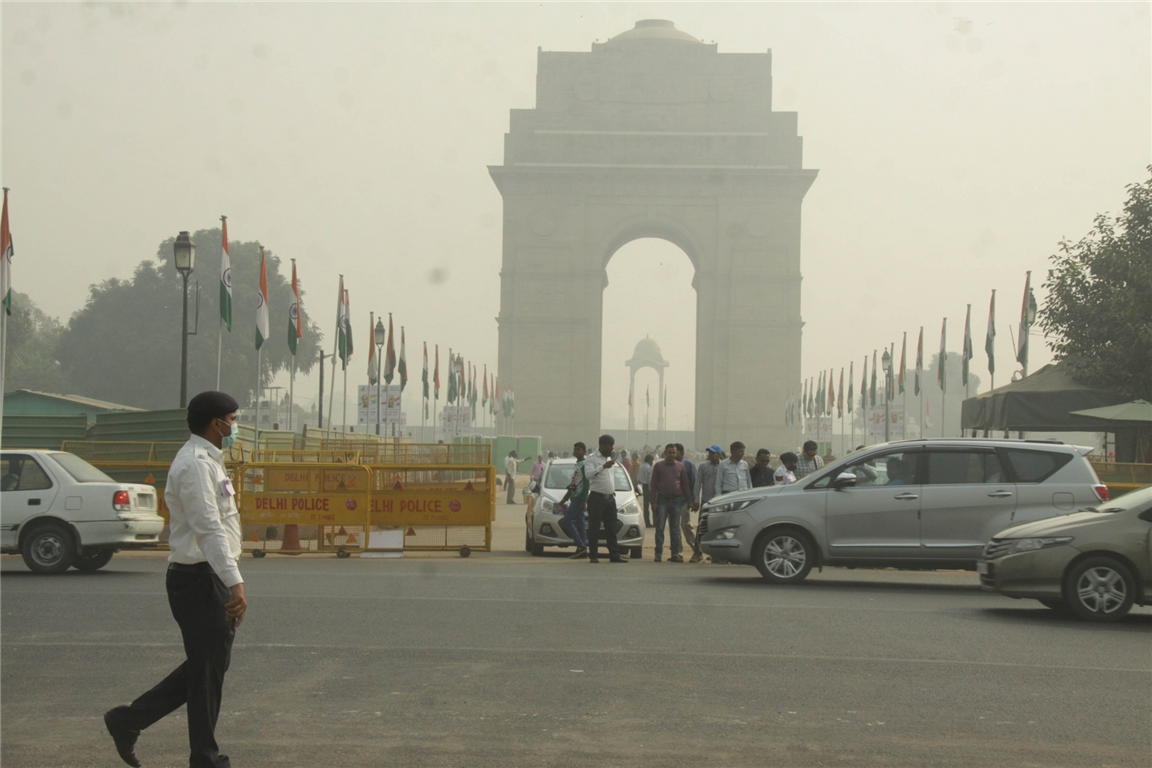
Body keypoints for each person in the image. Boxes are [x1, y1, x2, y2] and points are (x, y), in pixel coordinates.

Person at [104, 391, 247, 768]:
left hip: (205, 577)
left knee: (208, 667)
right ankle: (205, 758)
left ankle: (128, 721)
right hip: (198, 578)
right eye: (232, 420)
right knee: (206, 670)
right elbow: (208, 527)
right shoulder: (197, 465)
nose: (235, 427)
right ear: (216, 424)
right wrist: (235, 582)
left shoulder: (209, 461)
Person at [584, 434, 626, 563]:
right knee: (594, 528)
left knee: (611, 528)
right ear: (601, 445)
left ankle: (614, 554)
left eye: (611, 447)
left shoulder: (610, 457)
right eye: (608, 446)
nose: (610, 449)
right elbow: (588, 475)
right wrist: (603, 466)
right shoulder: (591, 458)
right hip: (596, 498)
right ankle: (594, 555)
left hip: (610, 499)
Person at [649, 443, 693, 562]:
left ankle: (675, 553)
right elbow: (653, 485)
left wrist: (689, 501)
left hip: (676, 501)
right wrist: (653, 501)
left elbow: (685, 485)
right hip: (662, 500)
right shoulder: (658, 466)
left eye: (674, 453)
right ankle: (658, 553)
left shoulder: (680, 466)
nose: (672, 455)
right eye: (670, 452)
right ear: (665, 452)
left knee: (675, 529)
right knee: (660, 528)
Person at [557, 442, 590, 559]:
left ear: (584, 452)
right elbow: (573, 485)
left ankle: (580, 545)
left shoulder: (584, 465)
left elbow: (586, 484)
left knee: (567, 520)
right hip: (574, 496)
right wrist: (564, 499)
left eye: (579, 449)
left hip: (578, 498)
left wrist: (583, 499)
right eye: (575, 449)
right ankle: (582, 549)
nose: (576, 451)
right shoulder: (577, 465)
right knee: (580, 524)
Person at [674, 444, 702, 562]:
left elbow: (695, 484)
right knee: (674, 528)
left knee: (686, 526)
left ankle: (697, 550)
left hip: (685, 500)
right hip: (673, 501)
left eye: (674, 452)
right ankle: (677, 552)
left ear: (680, 452)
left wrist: (694, 500)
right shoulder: (670, 465)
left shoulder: (689, 465)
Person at [636, 453, 655, 527]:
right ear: (650, 460)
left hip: (644, 486)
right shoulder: (649, 468)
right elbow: (650, 480)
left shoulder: (641, 466)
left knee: (646, 506)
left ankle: (646, 522)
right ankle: (655, 522)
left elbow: (639, 478)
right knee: (653, 504)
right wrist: (652, 490)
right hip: (648, 486)